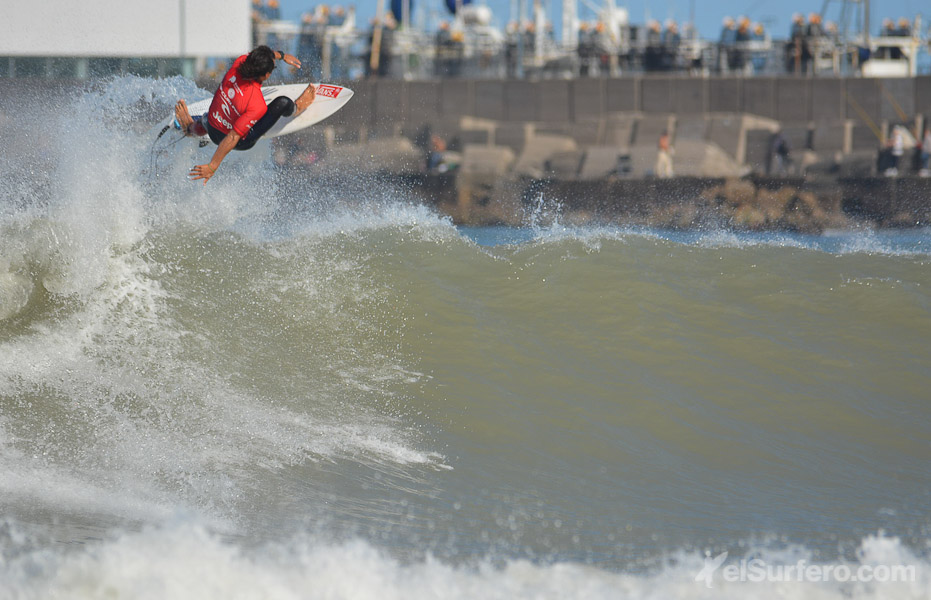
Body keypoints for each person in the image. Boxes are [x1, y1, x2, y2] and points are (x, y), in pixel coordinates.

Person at [174, 45, 316, 185]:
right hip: (238, 141)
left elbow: (258, 56)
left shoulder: (239, 62)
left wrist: (282, 56)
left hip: (211, 126)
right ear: (266, 75)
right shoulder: (256, 103)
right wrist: (212, 166)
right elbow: (233, 137)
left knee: (208, 117)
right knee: (282, 102)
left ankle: (190, 128)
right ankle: (297, 107)